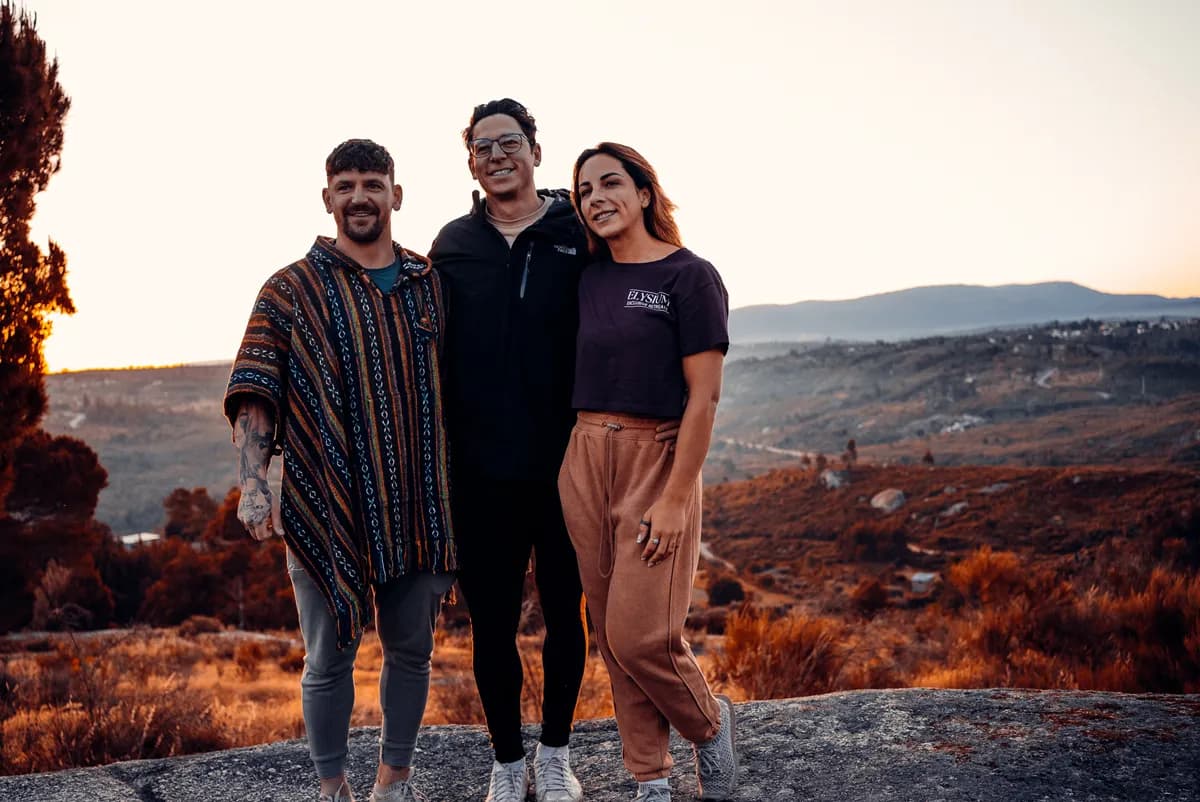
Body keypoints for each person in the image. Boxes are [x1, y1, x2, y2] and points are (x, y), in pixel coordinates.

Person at [224, 139, 456, 802]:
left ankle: (394, 781)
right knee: (328, 660)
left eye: (373, 183)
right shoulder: (290, 289)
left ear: (396, 195)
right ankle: (333, 788)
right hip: (326, 504)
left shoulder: (427, 285)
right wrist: (252, 483)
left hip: (418, 504)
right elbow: (256, 391)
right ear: (327, 199)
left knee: (412, 652)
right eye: (346, 185)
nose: (360, 196)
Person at [557, 143, 738, 802]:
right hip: (583, 458)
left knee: (643, 635)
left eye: (611, 183)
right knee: (609, 634)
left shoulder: (690, 277)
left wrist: (675, 496)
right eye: (583, 191)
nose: (596, 197)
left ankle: (709, 726)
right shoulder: (586, 276)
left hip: (654, 459)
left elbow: (705, 399)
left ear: (643, 193)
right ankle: (649, 777)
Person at [428, 98, 589, 802]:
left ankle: (554, 755)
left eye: (510, 142)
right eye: (483, 147)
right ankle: (506, 760)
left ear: (535, 151)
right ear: (470, 162)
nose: (497, 155)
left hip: (569, 469)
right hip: (482, 476)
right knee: (491, 625)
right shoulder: (453, 243)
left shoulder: (578, 231)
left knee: (565, 616)